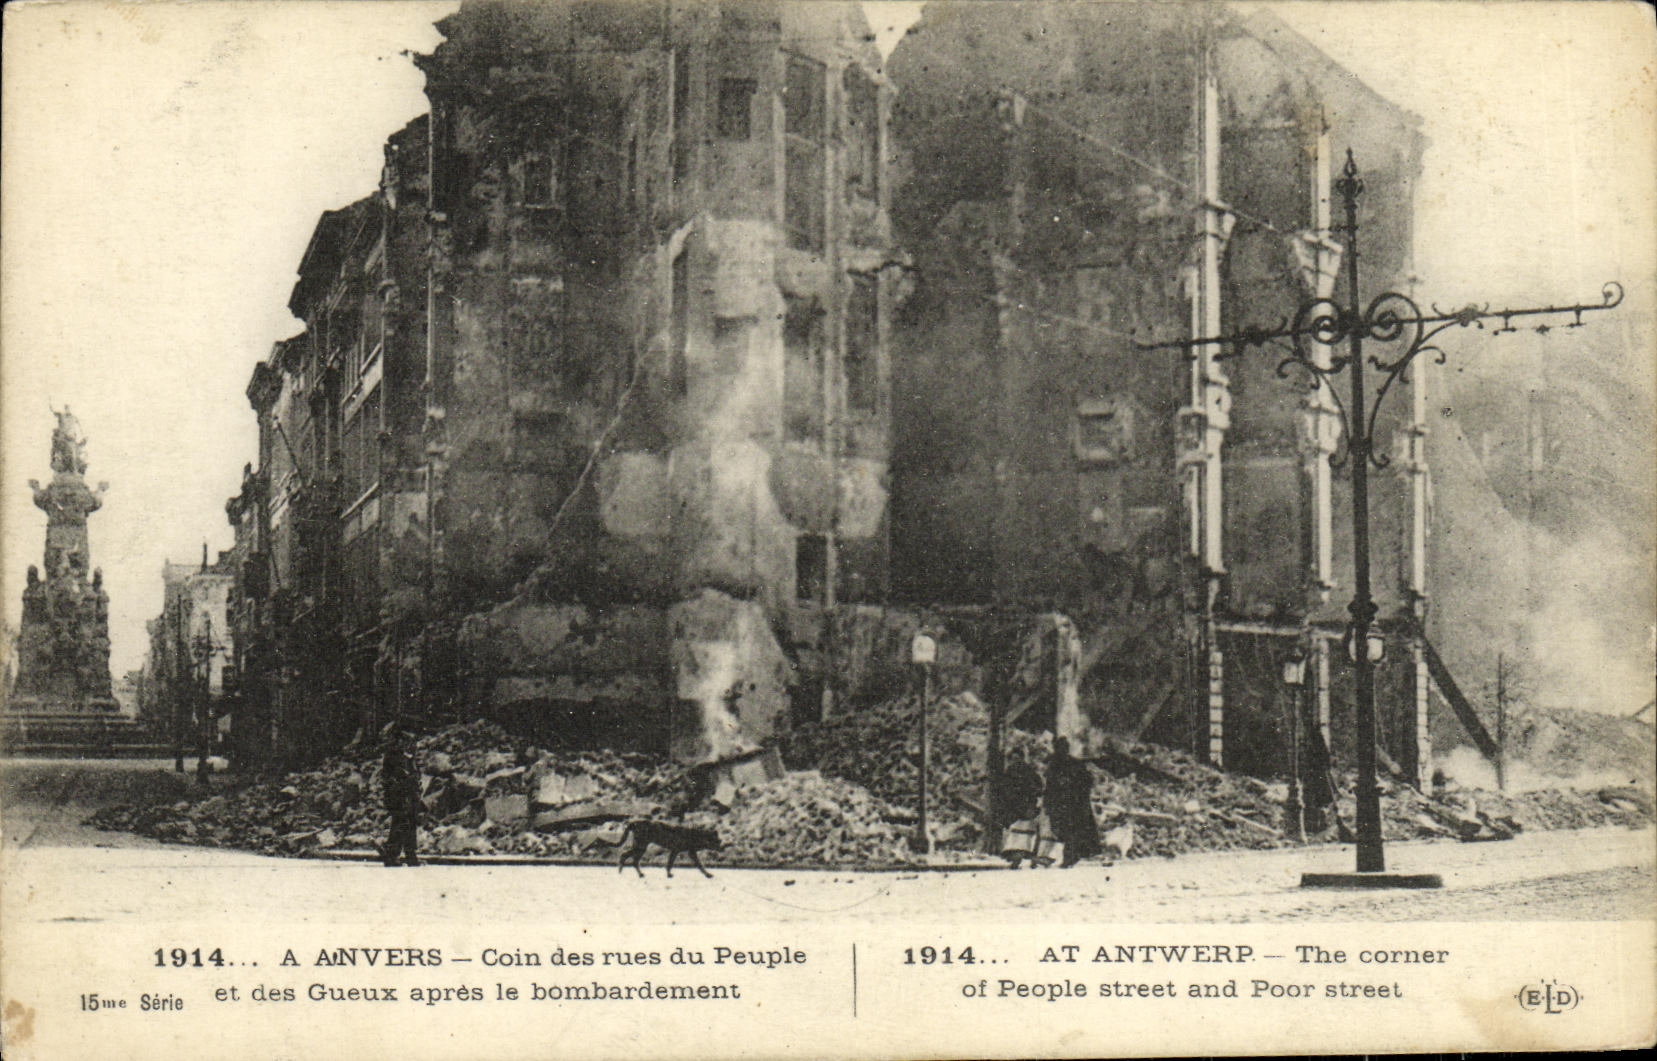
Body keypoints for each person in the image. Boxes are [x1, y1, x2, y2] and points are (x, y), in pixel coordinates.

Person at [1043, 736, 1101, 868]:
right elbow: (1049, 785)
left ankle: (1068, 857)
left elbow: (1087, 781)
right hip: (1064, 803)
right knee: (1063, 831)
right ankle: (1065, 856)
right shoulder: (1055, 764)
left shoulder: (1071, 763)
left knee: (1070, 831)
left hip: (1071, 804)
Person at [379, 724, 422, 867]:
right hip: (399, 795)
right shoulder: (393, 756)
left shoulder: (409, 758)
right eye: (408, 742)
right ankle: (392, 854)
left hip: (410, 794)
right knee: (401, 822)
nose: (411, 745)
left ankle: (410, 855)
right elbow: (391, 777)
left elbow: (414, 776)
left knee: (410, 823)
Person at [995, 751, 1045, 868]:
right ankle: (1016, 857)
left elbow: (1038, 787)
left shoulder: (1028, 772)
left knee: (1023, 833)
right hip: (1014, 807)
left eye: (1018, 758)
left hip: (1024, 807)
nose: (1016, 761)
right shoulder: (1010, 772)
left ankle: (1024, 857)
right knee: (1017, 832)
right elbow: (1003, 789)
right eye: (1014, 758)